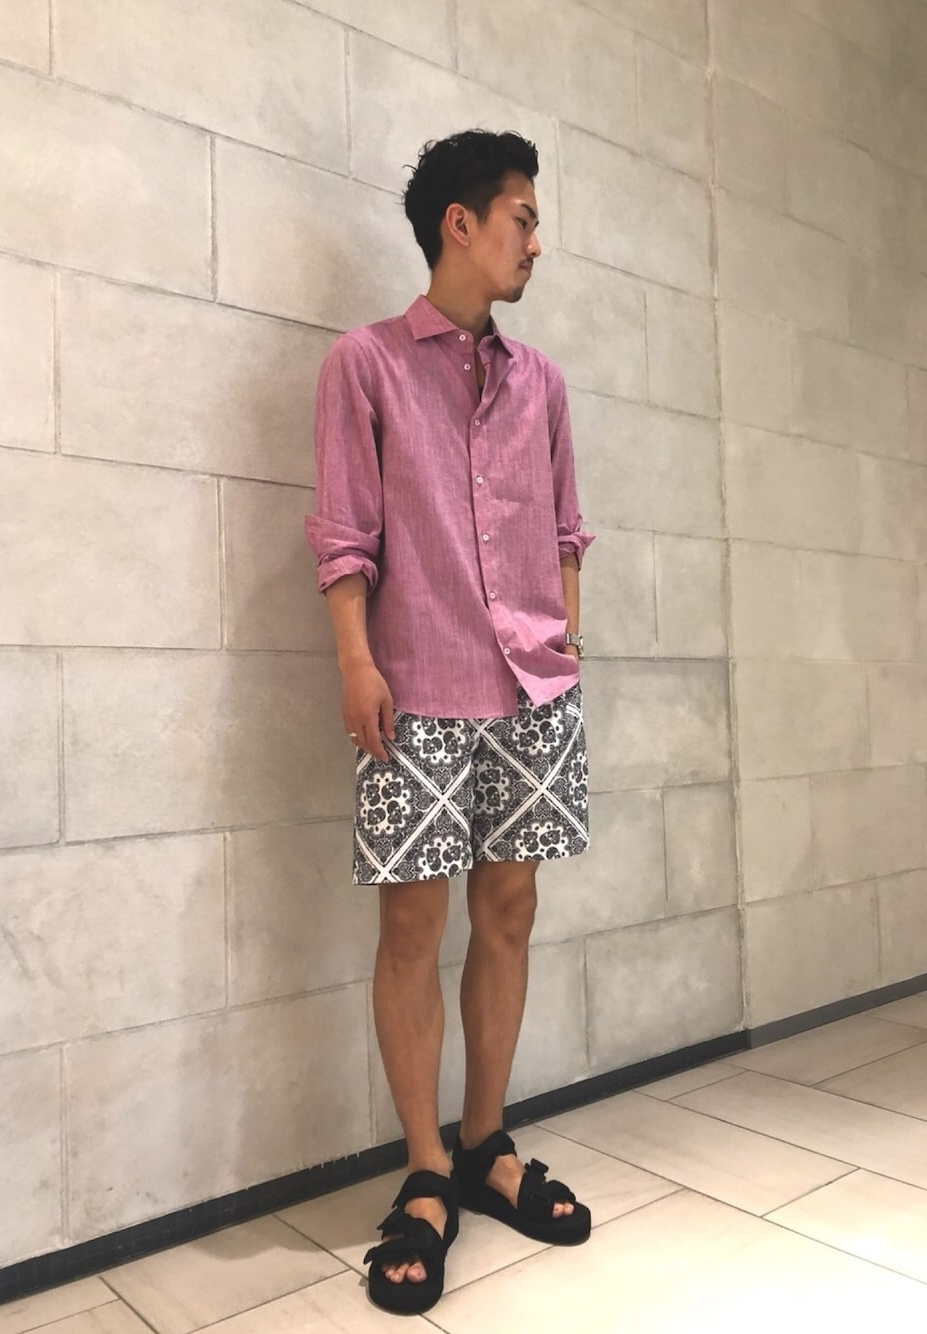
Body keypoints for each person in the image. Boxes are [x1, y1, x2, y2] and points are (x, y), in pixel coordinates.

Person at [305, 128, 594, 1316]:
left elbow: (567, 530)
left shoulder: (543, 384)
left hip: (533, 688)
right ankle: (426, 1170)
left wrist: (567, 640)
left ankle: (486, 1142)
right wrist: (355, 659)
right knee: (413, 926)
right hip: (413, 684)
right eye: (522, 217)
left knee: (510, 911)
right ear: (458, 224)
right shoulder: (364, 364)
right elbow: (343, 533)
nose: (536, 241)